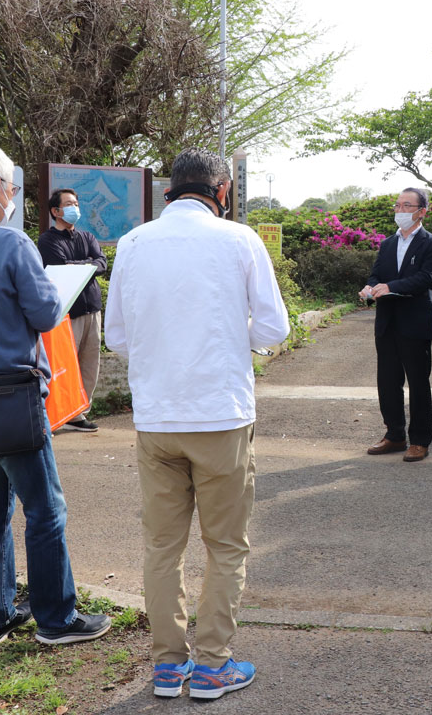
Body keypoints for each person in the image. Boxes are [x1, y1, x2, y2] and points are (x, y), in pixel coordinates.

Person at [105, 147, 289, 699]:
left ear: (169, 190)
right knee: (226, 545)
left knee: (162, 546)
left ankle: (167, 665)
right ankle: (212, 665)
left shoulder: (134, 243)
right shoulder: (239, 240)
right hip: (220, 415)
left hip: (157, 417)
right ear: (223, 191)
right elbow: (273, 328)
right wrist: (238, 340)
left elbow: (117, 336)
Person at [0, 142, 110, 647]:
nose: (10, 194)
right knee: (46, 509)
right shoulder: (10, 245)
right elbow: (47, 313)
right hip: (14, 396)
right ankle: (57, 619)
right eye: (8, 185)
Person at [359, 188, 432, 463]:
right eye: (397, 205)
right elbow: (376, 274)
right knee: (387, 382)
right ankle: (394, 435)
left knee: (418, 384)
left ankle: (420, 440)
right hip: (386, 322)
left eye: (407, 206)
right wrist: (370, 287)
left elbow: (425, 279)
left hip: (415, 323)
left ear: (422, 211)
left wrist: (390, 286)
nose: (400, 211)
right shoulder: (387, 244)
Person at [37, 187, 107, 432]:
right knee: (65, 364)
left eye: (76, 203)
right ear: (55, 211)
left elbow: (102, 263)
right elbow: (60, 267)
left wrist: (83, 265)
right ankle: (58, 413)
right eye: (68, 204)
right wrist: (87, 264)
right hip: (68, 311)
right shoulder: (47, 240)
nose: (74, 208)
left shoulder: (87, 237)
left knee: (90, 363)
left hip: (92, 308)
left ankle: (79, 414)